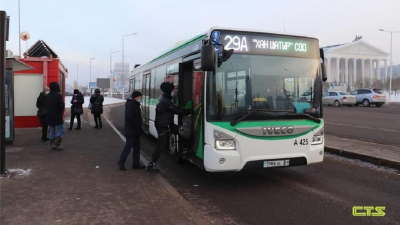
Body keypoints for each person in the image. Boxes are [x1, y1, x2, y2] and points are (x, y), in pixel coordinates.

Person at [146, 82, 189, 172]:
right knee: (161, 146)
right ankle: (151, 164)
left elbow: (173, 107)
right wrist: (188, 111)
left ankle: (183, 150)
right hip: (163, 126)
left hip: (168, 124)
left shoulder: (166, 98)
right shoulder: (165, 100)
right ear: (169, 90)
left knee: (183, 132)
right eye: (173, 89)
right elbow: (175, 110)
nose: (174, 91)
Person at [117, 91, 145, 171]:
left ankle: (136, 164)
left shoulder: (135, 104)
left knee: (137, 148)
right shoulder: (131, 105)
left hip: (135, 131)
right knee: (128, 147)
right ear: (136, 97)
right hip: (131, 131)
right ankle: (121, 161)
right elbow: (130, 118)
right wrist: (136, 127)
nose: (141, 98)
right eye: (140, 97)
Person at [45, 82, 65, 150]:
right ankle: (56, 142)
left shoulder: (47, 96)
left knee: (52, 129)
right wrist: (61, 111)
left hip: (49, 115)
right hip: (57, 115)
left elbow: (45, 105)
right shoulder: (58, 95)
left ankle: (52, 143)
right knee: (61, 129)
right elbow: (61, 106)